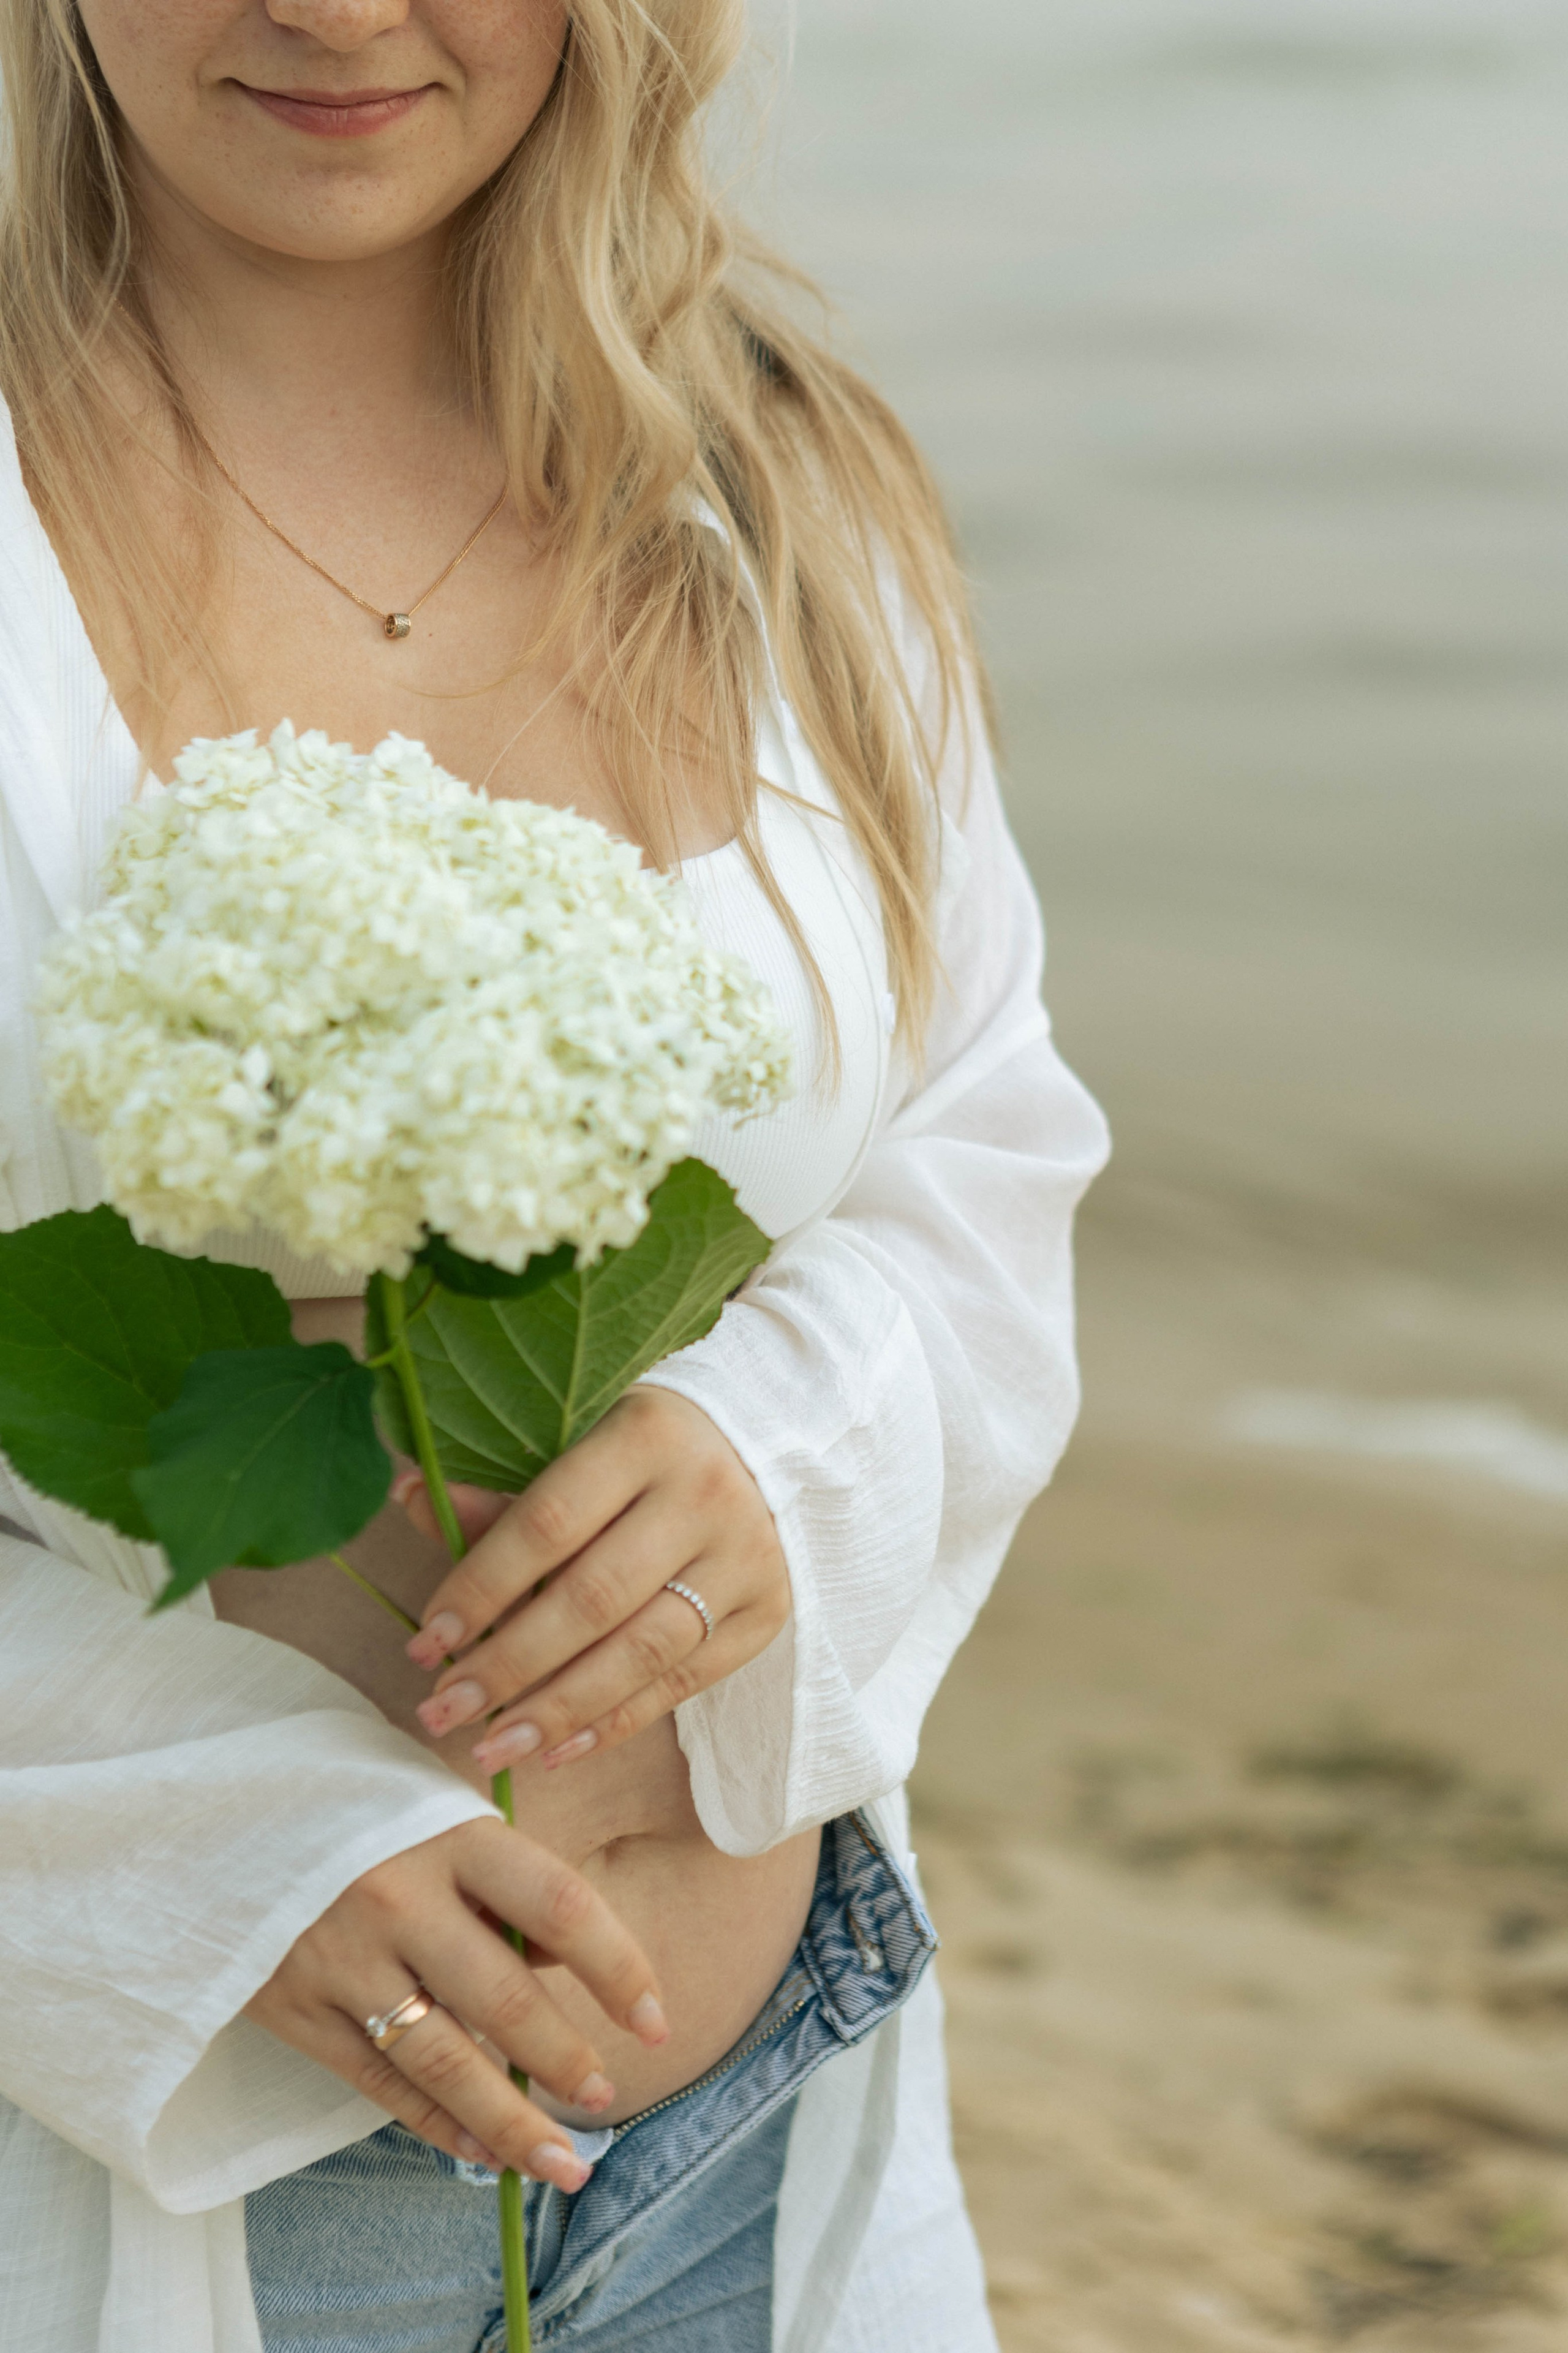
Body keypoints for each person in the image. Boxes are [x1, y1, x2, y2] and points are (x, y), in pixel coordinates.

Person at [0, 4, 1108, 2349]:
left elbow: (986, 1141)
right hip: (175, 2173)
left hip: (761, 2128)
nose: (334, 9)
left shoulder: (780, 482)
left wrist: (784, 1444)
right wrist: (193, 1848)